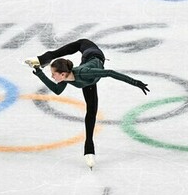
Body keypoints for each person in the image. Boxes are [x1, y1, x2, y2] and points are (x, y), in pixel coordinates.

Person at [24, 39, 149, 169]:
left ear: (62, 73)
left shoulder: (84, 73)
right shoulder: (65, 78)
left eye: (53, 74)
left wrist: (135, 83)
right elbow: (57, 91)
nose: (52, 77)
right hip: (87, 71)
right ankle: (89, 147)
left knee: (91, 110)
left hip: (92, 54)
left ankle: (45, 58)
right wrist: (39, 73)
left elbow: (110, 73)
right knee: (91, 111)